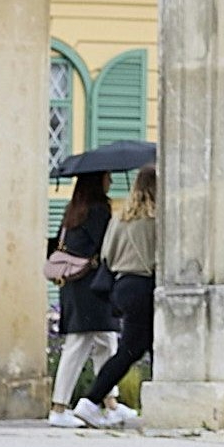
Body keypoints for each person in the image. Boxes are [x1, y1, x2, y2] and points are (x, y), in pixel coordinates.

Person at [72, 168, 158, 428]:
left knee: (146, 346)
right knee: (131, 350)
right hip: (145, 285)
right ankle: (90, 401)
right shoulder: (157, 220)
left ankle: (94, 401)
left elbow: (107, 254)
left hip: (122, 287)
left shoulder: (120, 219)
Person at [46, 172, 121, 429]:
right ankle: (58, 407)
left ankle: (110, 403)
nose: (110, 182)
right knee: (79, 344)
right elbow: (107, 245)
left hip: (73, 286)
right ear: (96, 182)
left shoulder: (72, 210)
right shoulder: (99, 209)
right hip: (92, 287)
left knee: (105, 341)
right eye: (106, 178)